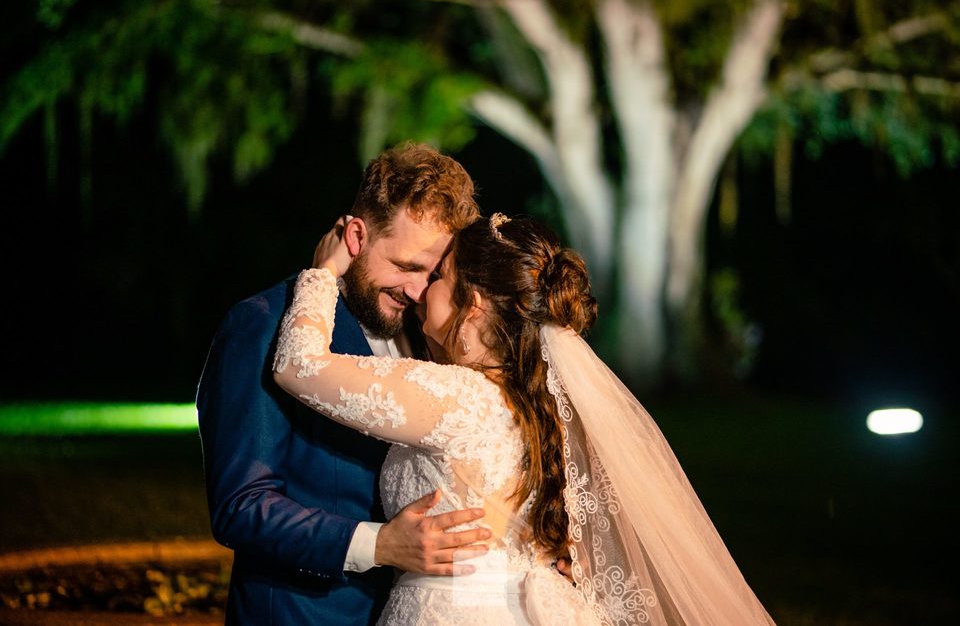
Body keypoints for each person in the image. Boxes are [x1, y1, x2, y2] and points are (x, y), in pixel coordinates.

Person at [272, 213, 779, 625]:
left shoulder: (457, 398)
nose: (424, 290)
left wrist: (323, 273)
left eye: (440, 278)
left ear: (472, 305)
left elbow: (298, 368)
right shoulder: (543, 405)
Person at [196, 143, 490, 626]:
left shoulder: (432, 331)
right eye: (405, 266)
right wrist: (379, 544)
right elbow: (240, 506)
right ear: (356, 235)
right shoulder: (263, 325)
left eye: (433, 273)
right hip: (305, 612)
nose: (417, 290)